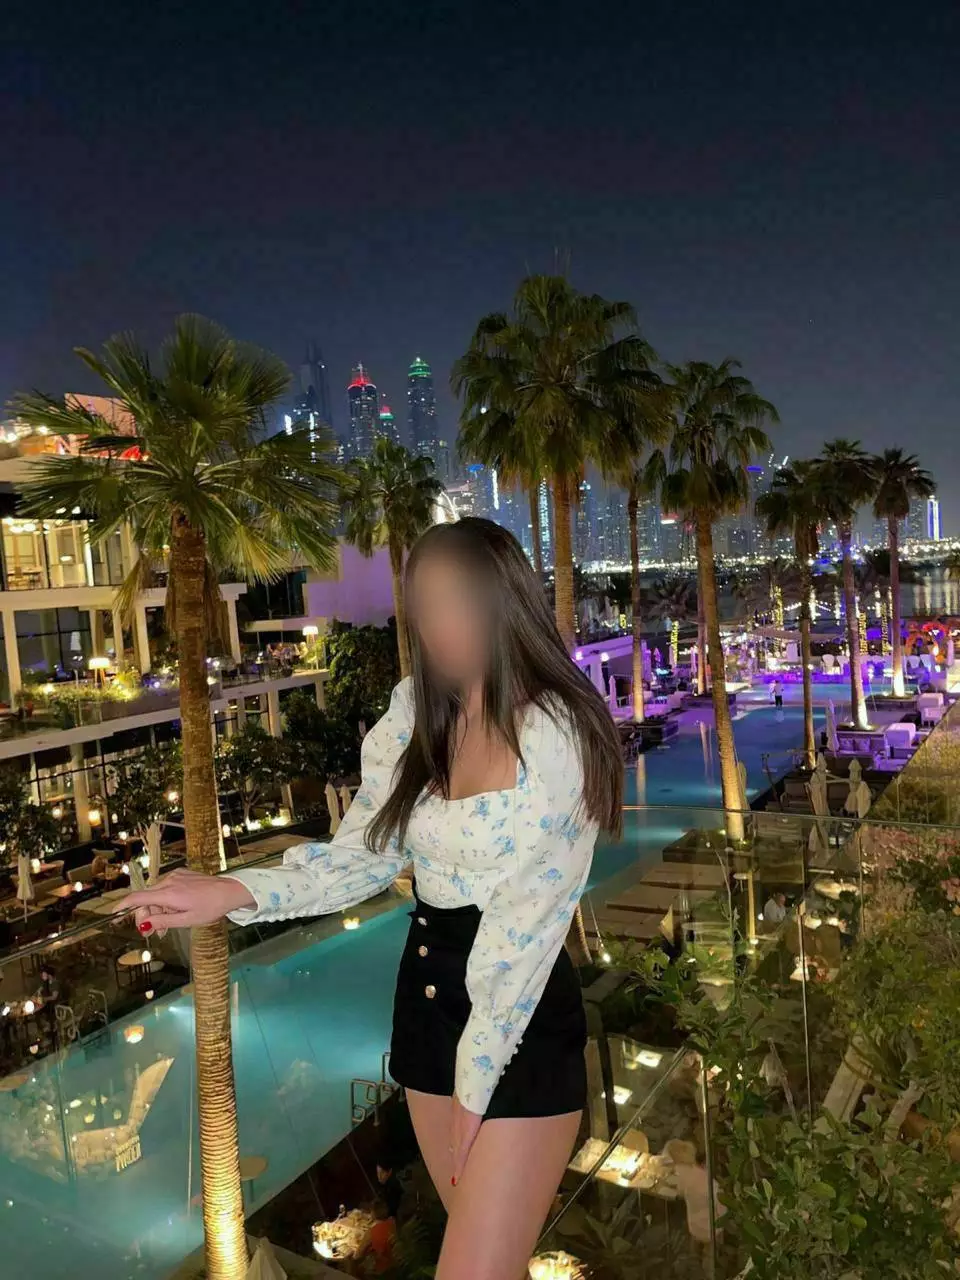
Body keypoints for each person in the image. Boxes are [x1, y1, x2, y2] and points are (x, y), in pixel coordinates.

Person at [126, 517, 623, 1280]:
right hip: (427, 1006)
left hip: (516, 1019)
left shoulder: (557, 733)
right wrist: (229, 890)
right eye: (424, 605)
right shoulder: (415, 715)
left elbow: (529, 922)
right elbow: (361, 857)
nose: (439, 623)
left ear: (506, 598)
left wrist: (478, 1081)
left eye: (458, 600)